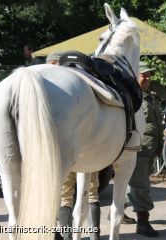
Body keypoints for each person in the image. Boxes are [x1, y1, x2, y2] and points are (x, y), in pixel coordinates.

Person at [46, 53, 101, 240]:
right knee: (75, 193)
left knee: (79, 192)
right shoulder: (76, 88)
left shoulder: (57, 91)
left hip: (75, 148)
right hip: (79, 149)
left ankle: (84, 235)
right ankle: (79, 235)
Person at [127, 61, 163, 237]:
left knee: (136, 184)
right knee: (141, 186)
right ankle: (143, 222)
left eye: (149, 74)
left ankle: (116, 210)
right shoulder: (131, 96)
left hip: (151, 147)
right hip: (139, 146)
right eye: (144, 74)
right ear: (135, 76)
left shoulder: (149, 96)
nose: (148, 77)